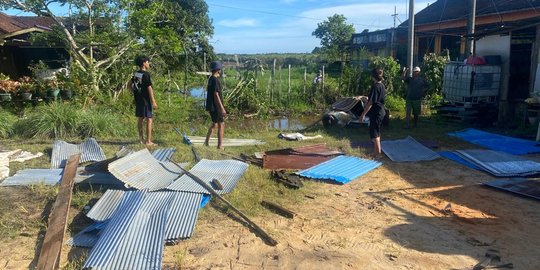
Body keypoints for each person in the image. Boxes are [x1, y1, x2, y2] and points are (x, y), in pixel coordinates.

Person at [131, 55, 158, 146]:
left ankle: (141, 139)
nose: (148, 63)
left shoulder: (136, 74)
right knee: (149, 119)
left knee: (140, 119)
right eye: (147, 62)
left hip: (138, 100)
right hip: (146, 100)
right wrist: (153, 101)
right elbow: (149, 88)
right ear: (143, 63)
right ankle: (148, 141)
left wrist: (136, 94)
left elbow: (130, 86)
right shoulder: (146, 74)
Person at [360, 68, 386, 156]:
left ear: (373, 76)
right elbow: (377, 98)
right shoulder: (382, 85)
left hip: (376, 112)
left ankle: (378, 154)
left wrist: (362, 115)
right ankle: (376, 152)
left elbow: (370, 103)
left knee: (375, 133)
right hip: (381, 111)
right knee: (377, 132)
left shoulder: (375, 86)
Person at [204, 61, 227, 150]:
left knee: (215, 124)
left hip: (211, 106)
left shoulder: (210, 79)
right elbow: (216, 94)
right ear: (218, 70)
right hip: (216, 106)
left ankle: (206, 142)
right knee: (222, 124)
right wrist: (222, 108)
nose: (221, 71)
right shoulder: (215, 80)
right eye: (220, 69)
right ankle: (220, 146)